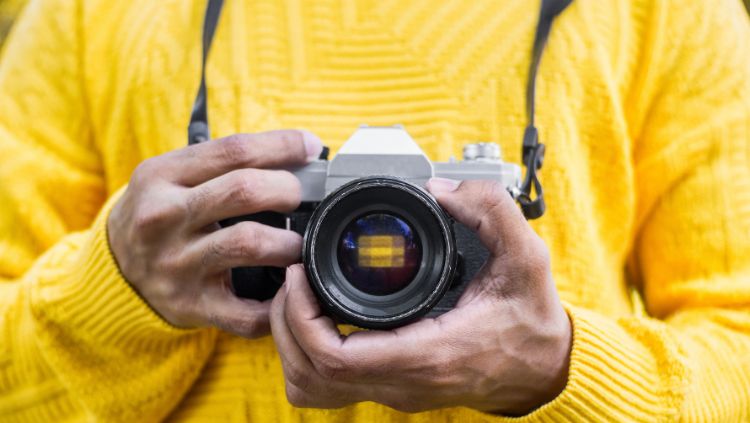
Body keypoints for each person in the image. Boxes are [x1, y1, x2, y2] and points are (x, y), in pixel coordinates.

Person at [1, 0, 749, 421]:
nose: (375, 253)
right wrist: (119, 286)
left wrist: (557, 366)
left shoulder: (669, 15)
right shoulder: (85, 15)